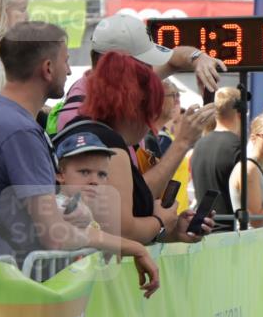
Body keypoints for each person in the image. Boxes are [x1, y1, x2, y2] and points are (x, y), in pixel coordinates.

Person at [0, 22, 159, 296]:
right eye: (66, 61)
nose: (70, 71)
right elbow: (54, 235)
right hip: (14, 295)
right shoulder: (19, 130)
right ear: (47, 68)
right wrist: (130, 245)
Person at [66, 51, 215, 245]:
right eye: (152, 113)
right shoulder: (109, 145)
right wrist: (160, 221)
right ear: (135, 108)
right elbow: (123, 233)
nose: (151, 125)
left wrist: (172, 231)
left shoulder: (90, 133)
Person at [54, 13, 226, 134]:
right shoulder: (81, 117)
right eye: (144, 62)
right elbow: (127, 185)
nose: (150, 70)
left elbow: (175, 58)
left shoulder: (121, 84)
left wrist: (198, 58)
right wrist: (182, 143)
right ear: (121, 65)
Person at [188, 86, 241, 225]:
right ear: (239, 113)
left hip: (204, 229)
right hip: (231, 233)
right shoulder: (237, 146)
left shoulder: (199, 145)